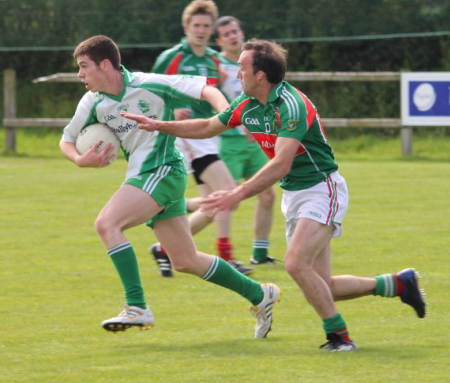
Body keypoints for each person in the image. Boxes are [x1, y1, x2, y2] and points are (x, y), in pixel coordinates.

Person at [122, 39, 427, 351]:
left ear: (261, 76)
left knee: (295, 264)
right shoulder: (247, 104)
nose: (236, 73)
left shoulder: (291, 105)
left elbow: (281, 163)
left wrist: (236, 194)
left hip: (322, 189)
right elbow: (206, 127)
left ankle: (340, 337)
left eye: (242, 67)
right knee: (325, 287)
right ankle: (400, 284)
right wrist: (158, 125)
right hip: (295, 195)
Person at [59, 35, 281, 337]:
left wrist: (224, 115)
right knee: (185, 260)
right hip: (146, 175)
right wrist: (80, 160)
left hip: (161, 170)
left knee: (106, 224)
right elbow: (67, 139)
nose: (80, 75)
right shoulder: (93, 102)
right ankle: (260, 294)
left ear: (106, 64)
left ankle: (136, 306)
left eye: (84, 67)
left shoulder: (148, 83)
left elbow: (206, 89)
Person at [150, 0, 252, 276]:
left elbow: (221, 95)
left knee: (213, 205)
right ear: (186, 26)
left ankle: (164, 249)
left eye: (207, 25)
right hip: (187, 137)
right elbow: (149, 93)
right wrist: (171, 112)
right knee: (229, 190)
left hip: (209, 136)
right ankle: (224, 256)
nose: (201, 30)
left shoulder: (213, 60)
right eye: (196, 25)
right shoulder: (172, 58)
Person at [214, 16, 276, 265]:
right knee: (225, 200)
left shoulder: (252, 64)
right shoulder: (214, 65)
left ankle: (259, 254)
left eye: (235, 31)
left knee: (268, 195)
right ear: (219, 40)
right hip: (228, 142)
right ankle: (167, 248)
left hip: (254, 142)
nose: (232, 36)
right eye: (226, 33)